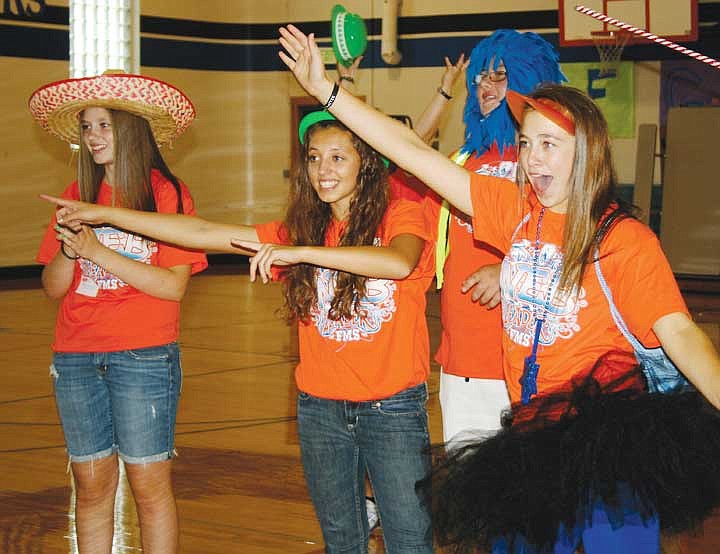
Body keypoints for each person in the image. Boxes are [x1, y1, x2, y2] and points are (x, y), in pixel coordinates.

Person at [276, 25, 720, 552]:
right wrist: (328, 92)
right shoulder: (515, 213)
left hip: (607, 448)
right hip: (530, 435)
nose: (533, 159)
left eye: (549, 145)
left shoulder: (624, 239)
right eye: (527, 143)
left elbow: (681, 335)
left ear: (589, 153)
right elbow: (411, 153)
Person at [42, 110, 436, 554]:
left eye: (338, 158)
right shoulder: (300, 228)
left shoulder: (402, 215)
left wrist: (301, 252)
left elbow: (399, 263)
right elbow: (202, 232)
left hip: (392, 409)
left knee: (407, 537)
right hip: (321, 410)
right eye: (313, 158)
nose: (322, 170)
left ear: (366, 162)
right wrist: (107, 214)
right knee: (342, 540)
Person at [29, 71, 208, 553]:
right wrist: (71, 248)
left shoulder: (166, 196)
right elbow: (51, 288)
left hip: (144, 359)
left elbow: (172, 288)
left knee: (149, 489)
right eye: (87, 127)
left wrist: (98, 249)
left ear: (131, 129)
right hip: (75, 359)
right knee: (89, 488)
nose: (93, 137)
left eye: (104, 125)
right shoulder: (76, 194)